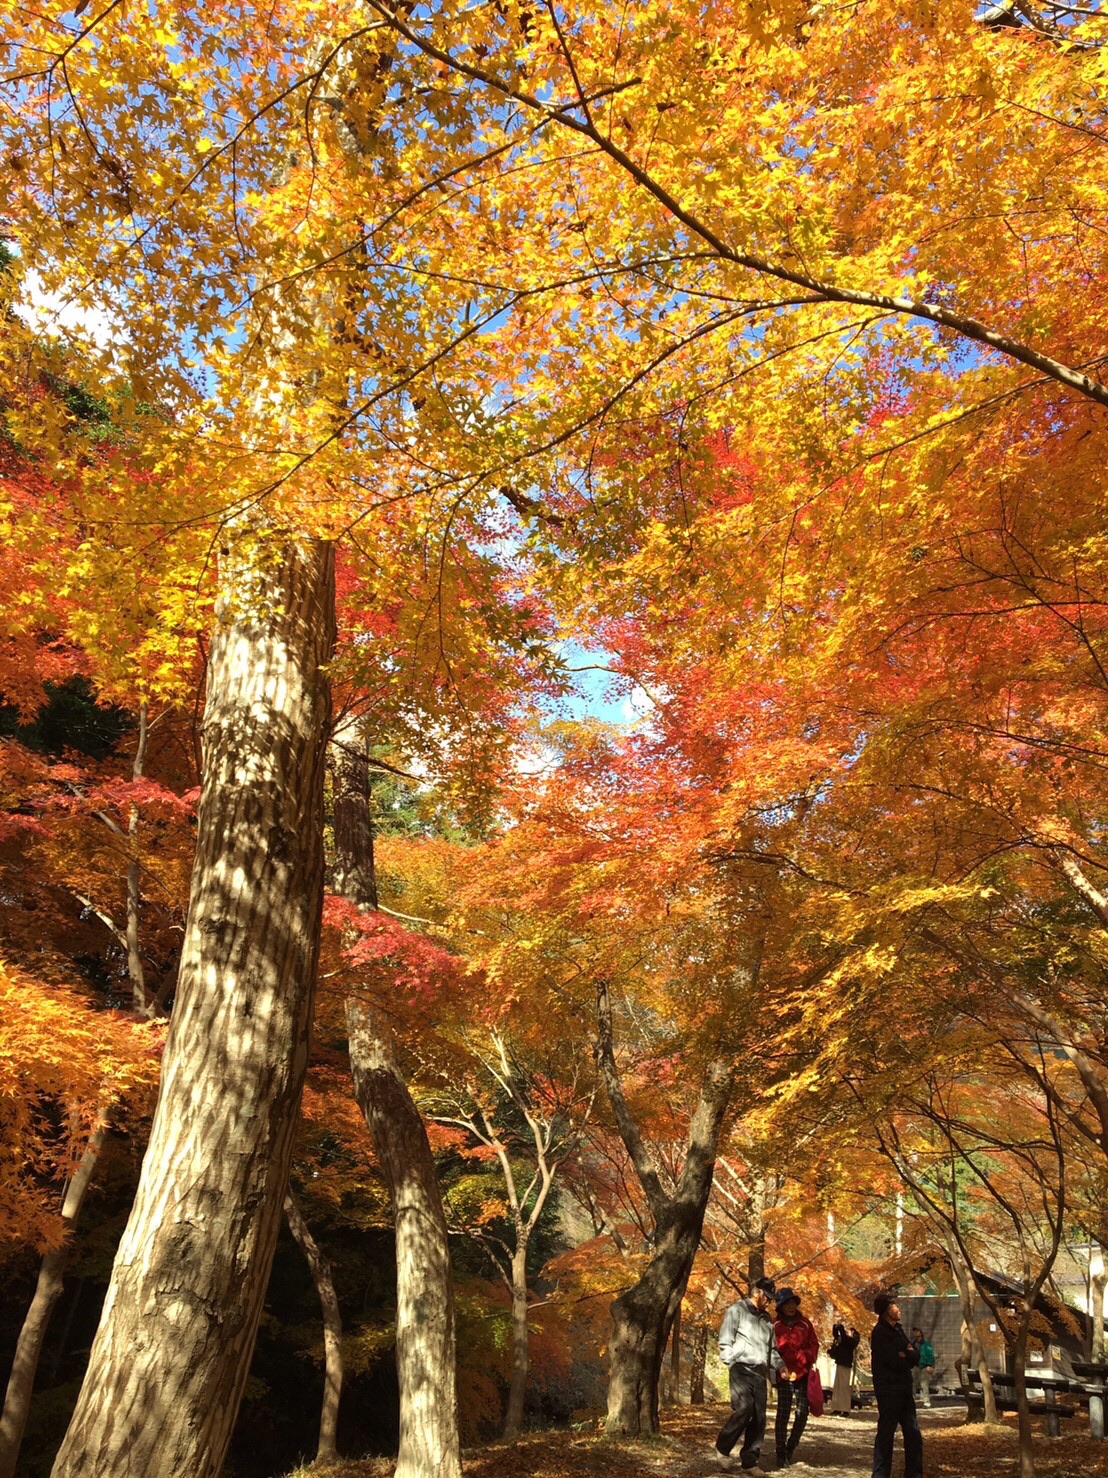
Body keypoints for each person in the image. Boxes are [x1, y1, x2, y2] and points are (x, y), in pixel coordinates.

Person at [714, 1276, 783, 1474]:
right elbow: (725, 1339)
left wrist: (781, 1367)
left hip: (760, 1371)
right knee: (744, 1409)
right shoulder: (737, 1310)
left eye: (771, 1298)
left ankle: (750, 1462)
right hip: (741, 1368)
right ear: (757, 1292)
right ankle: (722, 1448)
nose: (769, 1301)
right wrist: (731, 1360)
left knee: (759, 1417)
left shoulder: (767, 1319)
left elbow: (773, 1349)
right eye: (767, 1297)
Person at [870, 1294, 923, 1478]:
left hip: (904, 1389)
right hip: (888, 1390)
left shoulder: (899, 1330)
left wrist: (906, 1354)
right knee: (886, 1435)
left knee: (913, 1434)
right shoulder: (879, 1333)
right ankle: (880, 1475)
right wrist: (905, 1356)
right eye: (894, 1306)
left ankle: (914, 1474)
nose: (898, 1309)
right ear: (886, 1311)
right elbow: (894, 1361)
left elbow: (915, 1356)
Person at [772, 1287, 820, 1468]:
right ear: (781, 1307)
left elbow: (814, 1344)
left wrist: (806, 1356)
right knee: (783, 1414)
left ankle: (790, 1447)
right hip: (783, 1374)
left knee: (802, 1414)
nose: (791, 1307)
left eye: (793, 1303)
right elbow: (772, 1349)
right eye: (787, 1304)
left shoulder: (805, 1323)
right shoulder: (775, 1325)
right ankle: (780, 1452)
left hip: (803, 1374)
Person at [829, 1317, 860, 1413]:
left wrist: (842, 1331)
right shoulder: (843, 1333)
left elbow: (849, 1343)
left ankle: (845, 1408)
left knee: (844, 1386)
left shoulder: (855, 1334)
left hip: (846, 1362)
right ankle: (837, 1407)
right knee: (837, 1386)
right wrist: (836, 1327)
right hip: (840, 1360)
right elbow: (837, 1337)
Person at [911, 1326, 935, 1408]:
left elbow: (931, 1355)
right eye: (914, 1332)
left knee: (924, 1385)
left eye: (917, 1331)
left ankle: (927, 1402)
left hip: (923, 1367)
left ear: (921, 1333)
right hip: (914, 1366)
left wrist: (930, 1365)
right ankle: (911, 1401)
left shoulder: (926, 1345)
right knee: (912, 1384)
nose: (915, 1333)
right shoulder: (912, 1344)